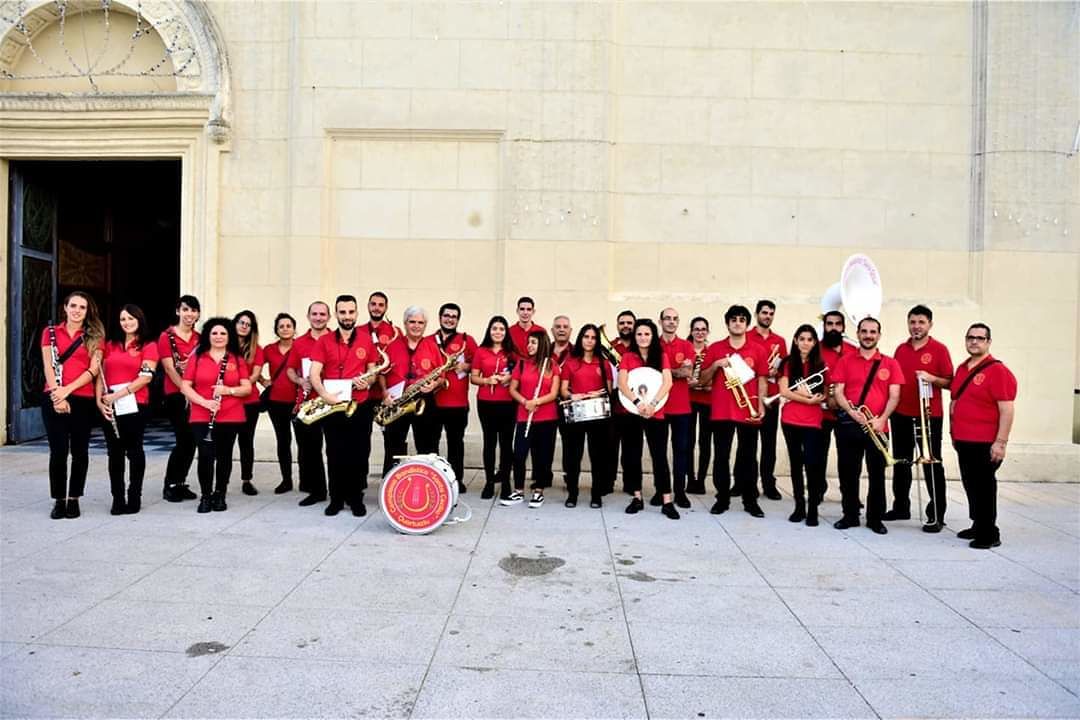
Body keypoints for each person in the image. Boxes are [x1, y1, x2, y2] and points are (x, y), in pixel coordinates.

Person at [831, 317, 903, 534]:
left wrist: (882, 419)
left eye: (873, 332)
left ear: (879, 335)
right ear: (858, 334)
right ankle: (850, 515)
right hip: (850, 426)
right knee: (848, 473)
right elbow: (838, 391)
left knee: (877, 474)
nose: (868, 335)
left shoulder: (890, 363)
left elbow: (895, 395)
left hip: (878, 426)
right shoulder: (845, 360)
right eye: (864, 331)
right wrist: (851, 412)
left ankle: (875, 518)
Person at [308, 294, 378, 517]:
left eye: (351, 312)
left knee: (359, 453)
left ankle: (356, 498)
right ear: (336, 314)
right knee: (335, 452)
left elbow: (373, 373)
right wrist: (324, 395)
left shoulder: (367, 340)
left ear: (357, 313)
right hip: (334, 405)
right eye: (342, 312)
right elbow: (314, 373)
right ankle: (336, 498)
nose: (347, 316)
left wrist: (366, 380)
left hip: (361, 405)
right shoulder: (324, 341)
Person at [698, 305, 768, 518]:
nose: (738, 323)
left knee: (748, 458)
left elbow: (762, 380)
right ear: (727, 323)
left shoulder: (758, 349)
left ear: (747, 324)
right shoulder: (716, 349)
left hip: (748, 410)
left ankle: (750, 500)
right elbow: (702, 380)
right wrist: (716, 365)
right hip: (722, 411)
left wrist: (761, 406)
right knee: (721, 457)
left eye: (742, 319)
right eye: (734, 319)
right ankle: (722, 498)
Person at [950, 323, 1016, 549]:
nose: (974, 341)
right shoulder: (962, 368)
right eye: (970, 337)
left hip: (985, 441)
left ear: (988, 342)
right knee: (970, 484)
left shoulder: (997, 371)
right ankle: (978, 524)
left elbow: (1006, 409)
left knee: (984, 487)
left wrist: (1001, 442)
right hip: (963, 439)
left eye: (980, 338)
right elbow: (956, 399)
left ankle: (990, 533)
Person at [888, 304, 953, 532]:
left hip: (929, 416)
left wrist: (931, 378)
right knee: (902, 462)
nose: (916, 326)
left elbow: (950, 382)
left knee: (931, 465)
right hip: (901, 414)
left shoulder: (940, 350)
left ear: (929, 325)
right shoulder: (900, 349)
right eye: (912, 322)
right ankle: (901, 507)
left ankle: (936, 514)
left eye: (921, 322)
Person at [41, 291, 104, 519]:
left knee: (80, 452)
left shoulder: (95, 335)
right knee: (58, 452)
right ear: (65, 308)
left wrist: (67, 390)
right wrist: (58, 396)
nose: (77, 310)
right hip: (54, 396)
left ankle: (74, 498)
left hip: (83, 398)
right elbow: (48, 365)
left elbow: (94, 370)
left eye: (82, 307)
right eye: (73, 306)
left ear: (87, 312)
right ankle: (58, 500)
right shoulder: (50, 333)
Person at [180, 317, 252, 513]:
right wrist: (205, 402)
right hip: (202, 414)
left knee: (224, 456)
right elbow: (184, 386)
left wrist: (228, 390)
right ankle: (205, 495)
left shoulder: (236, 359)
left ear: (229, 337)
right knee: (205, 455)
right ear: (207, 336)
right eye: (214, 333)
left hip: (231, 415)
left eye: (223, 333)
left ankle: (220, 494)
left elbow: (247, 388)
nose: (218, 337)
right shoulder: (198, 357)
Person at [97, 304, 158, 514]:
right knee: (114, 453)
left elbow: (146, 377)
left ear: (139, 320)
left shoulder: (149, 345)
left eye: (131, 318)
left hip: (135, 403)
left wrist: (118, 395)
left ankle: (134, 495)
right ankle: (118, 498)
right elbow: (100, 374)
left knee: (134, 450)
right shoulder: (109, 344)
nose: (127, 323)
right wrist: (100, 400)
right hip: (109, 405)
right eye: (123, 319)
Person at [618, 319, 677, 518]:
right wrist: (637, 402)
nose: (643, 338)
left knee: (659, 456)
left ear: (653, 336)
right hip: (632, 412)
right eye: (639, 334)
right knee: (633, 456)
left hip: (656, 412)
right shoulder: (627, 357)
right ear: (635, 337)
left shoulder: (661, 356)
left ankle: (667, 501)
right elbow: (623, 383)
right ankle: (637, 497)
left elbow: (667, 382)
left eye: (647, 334)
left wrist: (652, 404)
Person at [421, 302, 477, 493]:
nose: (450, 319)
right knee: (431, 445)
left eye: (453, 316)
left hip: (458, 403)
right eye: (446, 315)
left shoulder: (466, 341)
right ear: (440, 317)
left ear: (458, 320)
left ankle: (456, 480)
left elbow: (477, 365)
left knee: (456, 445)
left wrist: (466, 367)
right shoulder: (427, 341)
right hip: (433, 402)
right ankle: (434, 480)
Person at [778, 325, 828, 527]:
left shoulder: (821, 365)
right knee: (796, 464)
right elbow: (783, 391)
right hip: (790, 420)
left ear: (815, 342)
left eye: (810, 339)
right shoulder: (788, 362)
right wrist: (807, 398)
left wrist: (804, 395)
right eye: (802, 338)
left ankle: (813, 508)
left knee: (813, 465)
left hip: (813, 421)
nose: (805, 342)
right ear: (796, 340)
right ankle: (799, 506)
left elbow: (824, 393)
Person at [505, 329, 560, 507]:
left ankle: (538, 491)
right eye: (529, 342)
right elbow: (513, 389)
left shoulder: (552, 365)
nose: (529, 346)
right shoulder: (521, 364)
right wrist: (524, 401)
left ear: (542, 344)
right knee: (519, 454)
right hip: (524, 416)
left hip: (546, 418)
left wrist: (537, 401)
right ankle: (518, 491)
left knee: (541, 456)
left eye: (533, 343)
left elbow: (554, 393)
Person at [559, 324, 613, 508]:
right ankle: (572, 493)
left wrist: (597, 394)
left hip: (598, 416)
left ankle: (596, 494)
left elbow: (609, 390)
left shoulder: (604, 363)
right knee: (573, 456)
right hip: (576, 415)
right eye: (586, 336)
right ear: (580, 338)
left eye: (593, 337)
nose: (589, 340)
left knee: (597, 456)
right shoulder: (570, 362)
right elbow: (563, 390)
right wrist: (572, 395)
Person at [381, 306, 436, 470]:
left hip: (423, 401)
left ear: (425, 325)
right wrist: (384, 393)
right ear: (405, 323)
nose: (416, 326)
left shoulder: (432, 346)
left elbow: (441, 376)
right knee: (393, 445)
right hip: (397, 401)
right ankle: (390, 483)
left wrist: (435, 384)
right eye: (412, 322)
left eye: (420, 322)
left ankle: (426, 479)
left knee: (427, 445)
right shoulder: (392, 346)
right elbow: (381, 373)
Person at [287, 301, 330, 506]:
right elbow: (290, 369)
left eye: (322, 314)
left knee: (336, 449)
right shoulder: (299, 343)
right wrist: (299, 380)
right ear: (308, 316)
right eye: (315, 314)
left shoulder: (336, 339)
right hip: (309, 403)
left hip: (332, 402)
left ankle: (340, 491)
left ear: (328, 317)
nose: (319, 317)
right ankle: (317, 491)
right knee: (311, 450)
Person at [158, 294, 201, 502]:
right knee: (182, 439)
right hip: (176, 395)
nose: (189, 314)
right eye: (185, 310)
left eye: (193, 310)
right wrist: (185, 390)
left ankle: (181, 482)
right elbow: (168, 367)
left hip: (195, 395)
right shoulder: (167, 336)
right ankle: (170, 484)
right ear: (177, 312)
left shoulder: (200, 338)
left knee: (192, 441)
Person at [471, 316, 519, 499]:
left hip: (508, 403)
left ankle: (506, 482)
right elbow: (473, 377)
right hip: (486, 402)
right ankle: (489, 481)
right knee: (489, 443)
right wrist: (487, 380)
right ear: (489, 331)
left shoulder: (513, 353)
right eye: (494, 328)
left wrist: (509, 378)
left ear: (506, 332)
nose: (498, 332)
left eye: (501, 329)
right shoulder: (481, 351)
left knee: (506, 444)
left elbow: (520, 374)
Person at [748, 300, 787, 501]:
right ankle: (747, 483)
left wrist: (776, 371)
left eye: (771, 313)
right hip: (749, 397)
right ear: (757, 314)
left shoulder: (779, 341)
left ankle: (768, 483)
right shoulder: (746, 336)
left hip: (771, 398)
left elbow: (785, 369)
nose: (768, 316)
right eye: (764, 312)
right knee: (749, 444)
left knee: (769, 444)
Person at [657, 308, 694, 508]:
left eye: (675, 319)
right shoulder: (654, 345)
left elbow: (687, 372)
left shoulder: (686, 345)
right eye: (667, 318)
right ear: (660, 321)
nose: (671, 322)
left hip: (682, 408)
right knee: (659, 452)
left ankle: (680, 492)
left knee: (681, 451)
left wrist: (663, 371)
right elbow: (650, 373)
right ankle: (661, 490)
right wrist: (674, 372)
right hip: (659, 407)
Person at [261, 312, 298, 494]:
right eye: (281, 326)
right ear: (276, 329)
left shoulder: (300, 347)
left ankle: (307, 479)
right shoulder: (269, 349)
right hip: (276, 402)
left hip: (298, 401)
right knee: (283, 441)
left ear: (294, 329)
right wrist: (263, 380)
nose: (285, 329)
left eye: (288, 326)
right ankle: (286, 480)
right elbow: (254, 366)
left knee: (303, 442)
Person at [817, 310, 852, 502]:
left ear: (843, 327)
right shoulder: (816, 350)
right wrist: (826, 395)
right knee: (818, 455)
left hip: (845, 413)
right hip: (821, 413)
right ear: (824, 326)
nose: (833, 328)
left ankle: (849, 493)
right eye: (829, 324)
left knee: (847, 457)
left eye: (837, 324)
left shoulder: (854, 351)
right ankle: (818, 491)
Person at [233, 310, 265, 496]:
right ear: (235, 323)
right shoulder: (224, 347)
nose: (244, 326)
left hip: (249, 401)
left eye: (248, 324)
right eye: (241, 322)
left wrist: (238, 388)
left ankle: (247, 479)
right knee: (226, 443)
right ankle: (223, 479)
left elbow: (254, 375)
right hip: (228, 402)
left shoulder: (257, 349)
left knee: (246, 442)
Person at [608, 310, 640, 495]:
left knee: (633, 448)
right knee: (610, 446)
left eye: (629, 323)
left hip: (634, 404)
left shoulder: (641, 347)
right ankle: (608, 482)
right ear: (617, 325)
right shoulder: (610, 347)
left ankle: (631, 484)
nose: (626, 326)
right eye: (622, 323)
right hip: (613, 402)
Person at [686, 316, 711, 495]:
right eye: (696, 329)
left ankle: (701, 480)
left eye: (703, 329)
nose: (700, 332)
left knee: (705, 442)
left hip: (707, 401)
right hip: (688, 400)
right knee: (688, 442)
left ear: (707, 332)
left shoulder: (712, 351)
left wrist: (708, 384)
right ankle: (690, 479)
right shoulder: (686, 349)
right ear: (691, 331)